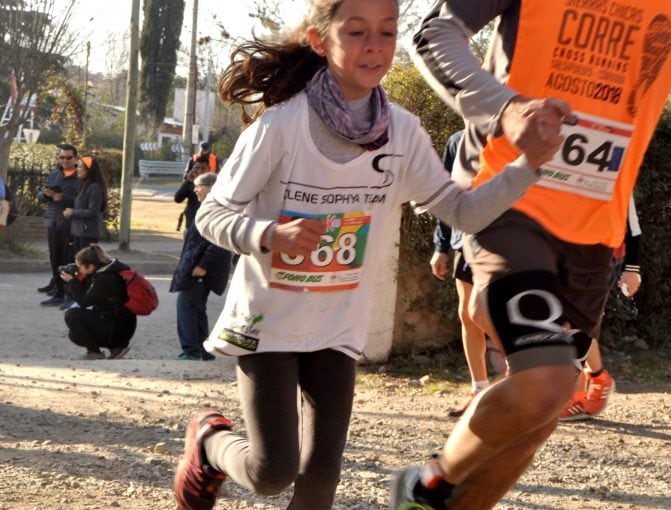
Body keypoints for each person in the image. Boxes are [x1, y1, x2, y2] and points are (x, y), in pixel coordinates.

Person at [172, 0, 562, 508]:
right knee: (272, 472)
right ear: (320, 40)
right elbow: (212, 214)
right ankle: (208, 439)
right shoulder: (280, 126)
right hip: (268, 323)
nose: (375, 46)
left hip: (337, 325)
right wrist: (271, 235)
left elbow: (462, 212)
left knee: (320, 480)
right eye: (356, 32)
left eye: (386, 31)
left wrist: (528, 164)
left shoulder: (401, 132)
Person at [392, 1, 671, 509]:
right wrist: (508, 108)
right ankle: (426, 484)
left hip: (594, 234)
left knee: (536, 414)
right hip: (509, 199)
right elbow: (434, 34)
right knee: (548, 384)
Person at [430, 131, 505, 418]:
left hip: (502, 240)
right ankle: (478, 389)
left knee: (485, 313)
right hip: (465, 238)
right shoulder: (456, 141)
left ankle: (520, 371)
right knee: (466, 313)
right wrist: (441, 247)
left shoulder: (510, 136)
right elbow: (447, 196)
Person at [560, 198, 642, 421]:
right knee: (575, 321)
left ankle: (574, 398)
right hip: (567, 254)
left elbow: (632, 223)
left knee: (577, 322)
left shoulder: (618, 170)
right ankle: (597, 378)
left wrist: (632, 268)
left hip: (604, 257)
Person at [170, 172, 232, 361]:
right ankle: (203, 350)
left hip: (200, 270)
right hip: (195, 266)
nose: (195, 190)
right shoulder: (207, 207)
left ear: (212, 187)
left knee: (187, 305)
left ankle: (192, 350)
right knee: (196, 307)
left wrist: (203, 266)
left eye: (199, 186)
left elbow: (218, 241)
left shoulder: (217, 209)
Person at [60, 244, 136, 360]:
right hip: (119, 326)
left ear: (90, 266)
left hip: (118, 329)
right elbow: (88, 295)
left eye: (79, 266)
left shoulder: (106, 278)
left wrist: (72, 282)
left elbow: (84, 301)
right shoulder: (106, 271)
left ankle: (95, 353)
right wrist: (78, 280)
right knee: (74, 335)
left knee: (72, 315)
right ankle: (116, 349)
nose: (78, 269)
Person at [37, 143, 79, 306]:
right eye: (62, 157)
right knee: (55, 259)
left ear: (75, 158)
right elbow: (40, 196)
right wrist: (46, 195)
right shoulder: (55, 174)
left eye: (69, 157)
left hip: (69, 224)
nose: (65, 161)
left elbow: (82, 201)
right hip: (53, 221)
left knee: (68, 260)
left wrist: (63, 198)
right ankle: (58, 291)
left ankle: (69, 294)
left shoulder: (80, 176)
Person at [63, 155, 108, 253]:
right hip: (78, 232)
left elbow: (93, 211)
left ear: (89, 170)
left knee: (85, 265)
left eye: (80, 167)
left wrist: (73, 212)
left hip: (87, 234)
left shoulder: (94, 187)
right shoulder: (83, 185)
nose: (77, 169)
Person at [175, 159, 210, 233]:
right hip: (191, 225)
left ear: (208, 168)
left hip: (207, 227)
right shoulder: (190, 184)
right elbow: (178, 199)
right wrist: (187, 182)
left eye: (203, 168)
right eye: (197, 168)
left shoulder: (214, 184)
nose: (200, 171)